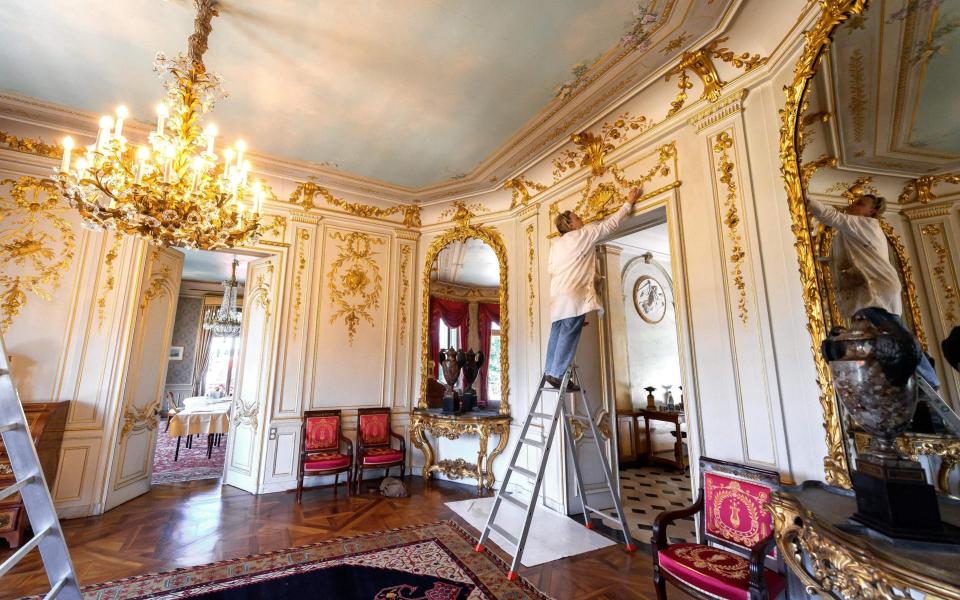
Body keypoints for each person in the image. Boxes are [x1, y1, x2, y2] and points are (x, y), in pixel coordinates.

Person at [809, 194, 939, 388]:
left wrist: (804, 198)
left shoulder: (866, 224)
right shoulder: (852, 232)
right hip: (871, 288)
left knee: (896, 335)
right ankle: (913, 376)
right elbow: (847, 259)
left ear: (872, 211)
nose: (853, 204)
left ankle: (929, 378)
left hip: (878, 288)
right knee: (888, 336)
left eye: (860, 203)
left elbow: (830, 216)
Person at [544, 187, 641, 390]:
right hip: (573, 295)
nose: (582, 220)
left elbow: (551, 269)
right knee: (569, 334)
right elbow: (611, 224)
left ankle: (549, 371)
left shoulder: (555, 244)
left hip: (557, 296)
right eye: (577, 218)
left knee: (558, 331)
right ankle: (557, 374)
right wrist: (628, 203)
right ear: (570, 225)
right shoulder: (584, 234)